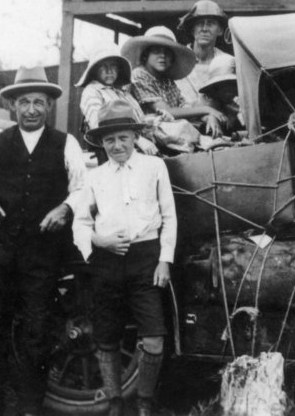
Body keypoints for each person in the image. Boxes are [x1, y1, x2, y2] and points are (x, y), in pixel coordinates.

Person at [0, 65, 87, 416]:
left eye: (39, 102)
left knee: (37, 331)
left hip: (42, 254)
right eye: (25, 102)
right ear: (14, 107)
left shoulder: (65, 143)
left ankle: (29, 406)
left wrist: (66, 209)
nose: (32, 109)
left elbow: (85, 187)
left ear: (48, 106)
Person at [71, 99, 177, 416]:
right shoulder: (95, 176)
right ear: (101, 143)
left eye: (123, 138)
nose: (117, 145)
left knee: (154, 339)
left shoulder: (154, 167)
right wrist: (98, 240)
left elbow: (169, 217)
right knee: (106, 338)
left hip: (146, 259)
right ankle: (115, 402)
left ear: (134, 137)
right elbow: (80, 223)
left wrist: (164, 260)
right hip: (107, 263)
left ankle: (144, 401)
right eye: (109, 140)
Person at [122, 25, 227, 138]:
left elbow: (185, 107)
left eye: (167, 53)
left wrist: (208, 116)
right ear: (145, 55)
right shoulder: (139, 75)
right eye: (156, 51)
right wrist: (207, 109)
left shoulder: (167, 80)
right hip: (146, 134)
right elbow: (166, 111)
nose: (162, 56)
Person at [77, 45, 159, 157]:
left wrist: (157, 118)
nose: (109, 71)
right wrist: (137, 139)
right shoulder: (92, 91)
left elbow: (139, 121)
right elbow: (99, 125)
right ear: (95, 69)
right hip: (112, 151)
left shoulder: (122, 92)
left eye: (113, 66)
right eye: (103, 66)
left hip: (138, 148)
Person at [175, 0, 235, 106]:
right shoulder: (177, 59)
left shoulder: (229, 62)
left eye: (211, 24)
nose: (204, 29)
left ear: (220, 30)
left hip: (219, 120)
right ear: (192, 30)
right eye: (199, 23)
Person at [196, 63, 245, 139]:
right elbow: (196, 115)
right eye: (226, 88)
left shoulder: (230, 106)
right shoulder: (206, 102)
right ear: (216, 88)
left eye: (233, 86)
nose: (231, 92)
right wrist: (209, 117)